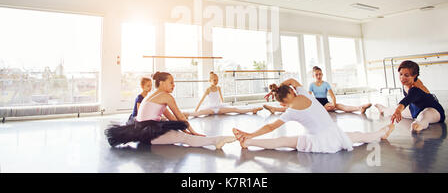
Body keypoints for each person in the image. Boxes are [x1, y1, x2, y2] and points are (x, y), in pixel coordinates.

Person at [232, 79, 395, 153]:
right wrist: (279, 86)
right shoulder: (304, 93)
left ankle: (249, 141)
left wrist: (251, 133)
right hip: (331, 135)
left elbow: (270, 127)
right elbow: (292, 81)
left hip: (317, 139)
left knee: (281, 142)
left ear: (282, 103)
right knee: (360, 136)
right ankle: (382, 132)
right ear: (291, 91)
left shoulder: (290, 111)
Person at [105, 72, 235, 149]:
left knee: (174, 128)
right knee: (184, 138)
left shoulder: (152, 94)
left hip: (141, 130)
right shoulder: (167, 96)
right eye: (171, 82)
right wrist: (193, 132)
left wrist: (184, 128)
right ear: (161, 83)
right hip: (149, 134)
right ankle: (217, 140)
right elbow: (180, 117)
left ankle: (213, 140)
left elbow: (173, 119)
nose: (174, 85)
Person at [375, 60, 445, 133]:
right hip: (415, 109)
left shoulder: (416, 88)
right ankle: (383, 109)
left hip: (433, 110)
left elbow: (407, 100)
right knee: (394, 110)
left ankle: (418, 125)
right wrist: (397, 110)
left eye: (406, 75)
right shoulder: (408, 82)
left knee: (424, 115)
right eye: (401, 74)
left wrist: (399, 110)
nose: (402, 78)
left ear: (414, 76)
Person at [184, 72, 262, 117]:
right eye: (214, 80)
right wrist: (196, 110)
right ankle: (186, 114)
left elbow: (221, 99)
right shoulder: (208, 89)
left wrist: (224, 106)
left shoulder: (219, 88)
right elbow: (201, 101)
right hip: (211, 108)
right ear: (210, 80)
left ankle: (252, 110)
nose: (216, 81)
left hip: (219, 107)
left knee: (235, 109)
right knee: (199, 113)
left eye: (217, 80)